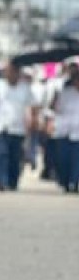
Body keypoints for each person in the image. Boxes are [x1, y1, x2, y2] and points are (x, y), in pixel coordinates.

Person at [0, 62, 39, 192]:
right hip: (0, 127)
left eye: (14, 72)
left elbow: (33, 106)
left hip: (18, 129)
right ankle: (0, 180)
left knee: (15, 157)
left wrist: (33, 122)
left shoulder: (25, 88)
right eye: (9, 72)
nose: (11, 74)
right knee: (0, 154)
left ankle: (12, 180)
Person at [49, 61, 79, 193]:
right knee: (63, 159)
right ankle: (65, 182)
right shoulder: (65, 92)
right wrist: (54, 98)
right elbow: (55, 108)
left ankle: (75, 182)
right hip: (64, 131)